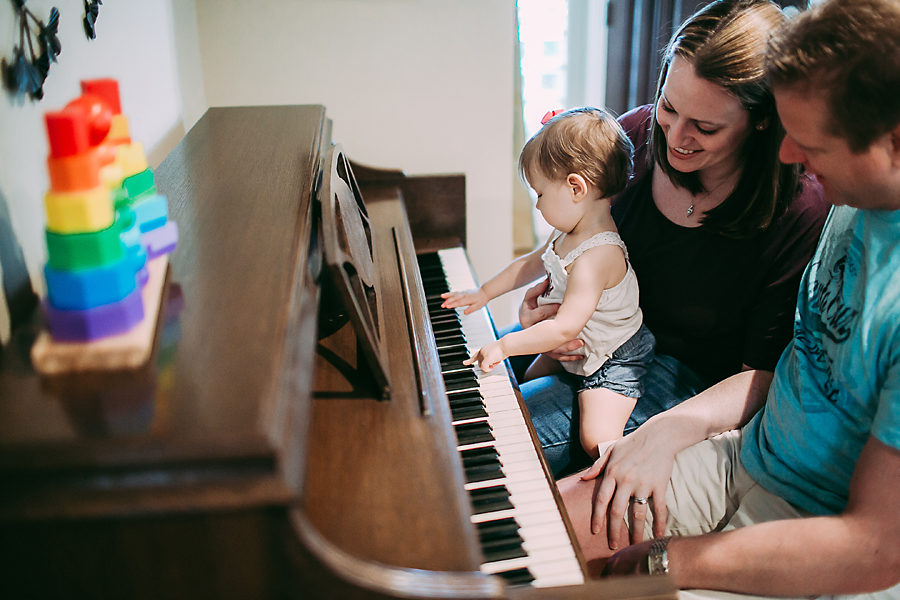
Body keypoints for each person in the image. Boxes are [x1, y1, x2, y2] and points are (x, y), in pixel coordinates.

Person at [559, 0, 900, 597]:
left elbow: (873, 547)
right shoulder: (856, 199)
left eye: (813, 144)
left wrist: (663, 563)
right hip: (749, 453)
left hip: (818, 523)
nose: (792, 157)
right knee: (542, 524)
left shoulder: (810, 205)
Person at [514, 0, 829, 478]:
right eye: (669, 105)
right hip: (604, 339)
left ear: (763, 118)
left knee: (502, 437)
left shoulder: (797, 211)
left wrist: (675, 428)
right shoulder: (636, 135)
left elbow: (762, 374)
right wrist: (541, 312)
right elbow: (573, 246)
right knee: (474, 388)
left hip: (688, 378)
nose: (676, 136)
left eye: (705, 127)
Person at [442, 107, 657, 454]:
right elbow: (531, 263)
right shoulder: (568, 230)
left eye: (540, 193)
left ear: (576, 188)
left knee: (595, 439)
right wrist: (483, 293)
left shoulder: (597, 256)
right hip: (578, 345)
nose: (538, 205)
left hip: (612, 357)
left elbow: (562, 330)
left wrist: (504, 345)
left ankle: (633, 468)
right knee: (526, 379)